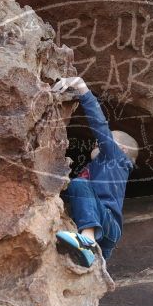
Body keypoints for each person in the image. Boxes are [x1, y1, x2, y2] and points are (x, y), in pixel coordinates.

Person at [52, 77, 138, 267]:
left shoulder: (115, 158)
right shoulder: (98, 167)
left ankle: (87, 241)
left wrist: (81, 87)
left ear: (121, 149)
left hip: (107, 222)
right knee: (93, 270)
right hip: (106, 234)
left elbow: (99, 126)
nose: (97, 142)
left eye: (107, 141)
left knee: (79, 185)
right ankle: (89, 251)